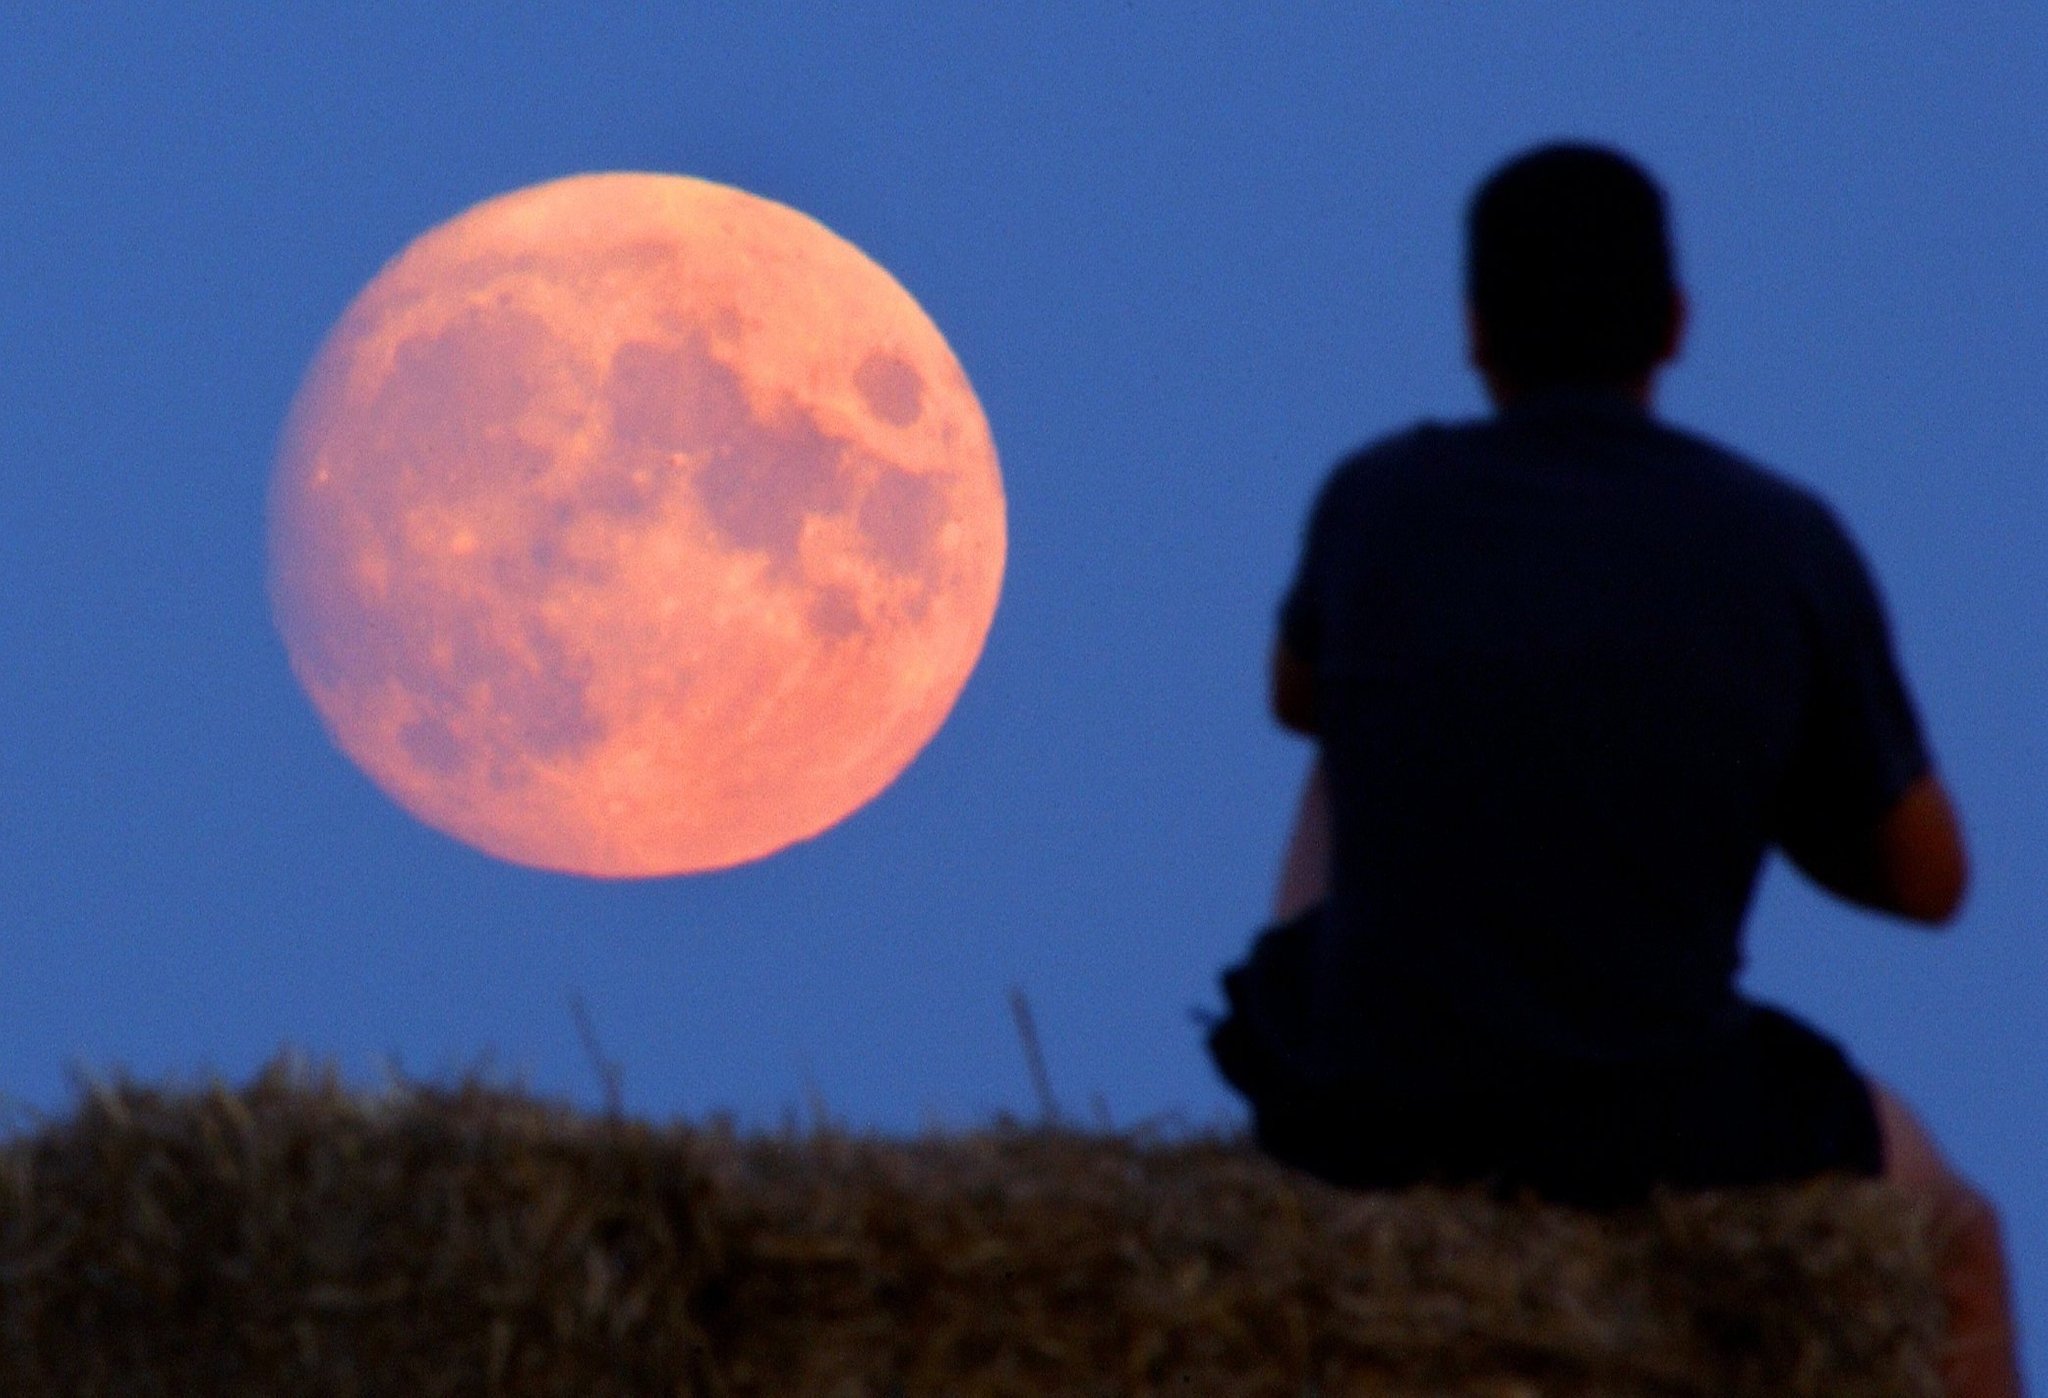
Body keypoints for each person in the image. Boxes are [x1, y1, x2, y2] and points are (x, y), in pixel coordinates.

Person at [1203, 142, 2023, 1398]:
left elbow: (1290, 695)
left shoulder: (1375, 500)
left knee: (1339, 747)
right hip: (1658, 1119)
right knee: (1957, 1239)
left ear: (1475, 330)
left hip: (1370, 1113)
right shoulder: (1779, 538)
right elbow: (1926, 882)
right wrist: (1749, 760)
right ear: (1675, 325)